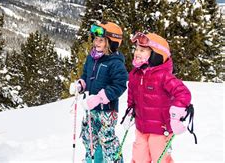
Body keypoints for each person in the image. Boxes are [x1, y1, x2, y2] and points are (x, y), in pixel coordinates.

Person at [125, 32, 192, 163]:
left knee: (159, 158)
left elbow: (183, 93)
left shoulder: (163, 76)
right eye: (137, 49)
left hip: (160, 130)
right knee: (139, 157)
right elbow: (132, 95)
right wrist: (130, 111)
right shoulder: (135, 74)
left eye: (143, 50)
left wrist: (176, 115)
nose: (137, 53)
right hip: (141, 127)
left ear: (156, 55)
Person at [70, 22, 128, 163]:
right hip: (90, 109)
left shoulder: (115, 63)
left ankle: (113, 161)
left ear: (112, 43)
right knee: (88, 136)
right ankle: (94, 160)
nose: (96, 42)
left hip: (107, 111)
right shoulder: (91, 58)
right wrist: (81, 85)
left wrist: (100, 98)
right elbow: (86, 75)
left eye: (101, 40)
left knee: (106, 138)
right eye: (96, 39)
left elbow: (120, 84)